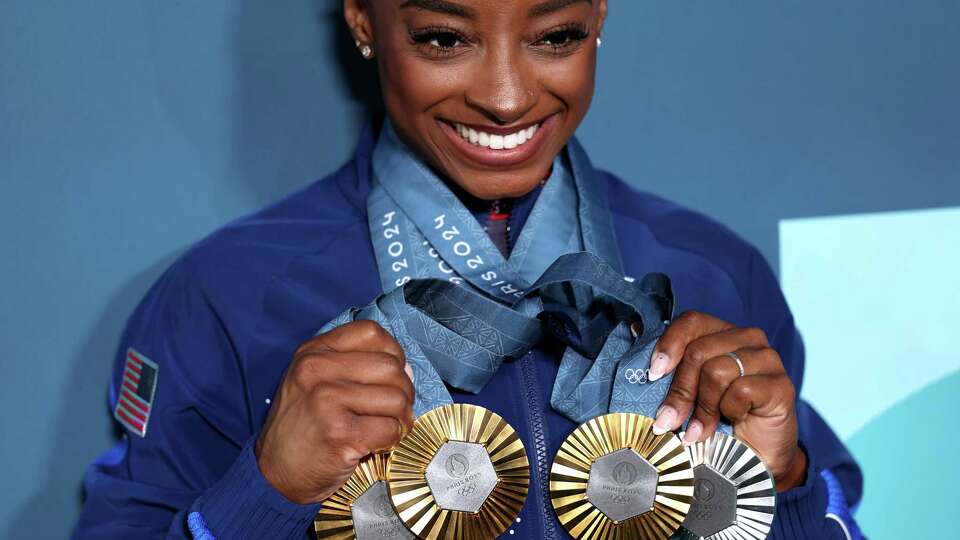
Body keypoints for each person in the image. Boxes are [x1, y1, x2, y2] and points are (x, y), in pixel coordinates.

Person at [73, 1, 863, 538]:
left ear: (598, 15)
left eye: (553, 35)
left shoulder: (714, 271)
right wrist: (265, 492)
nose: (506, 97)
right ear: (362, 20)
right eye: (445, 39)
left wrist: (786, 483)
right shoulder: (228, 294)